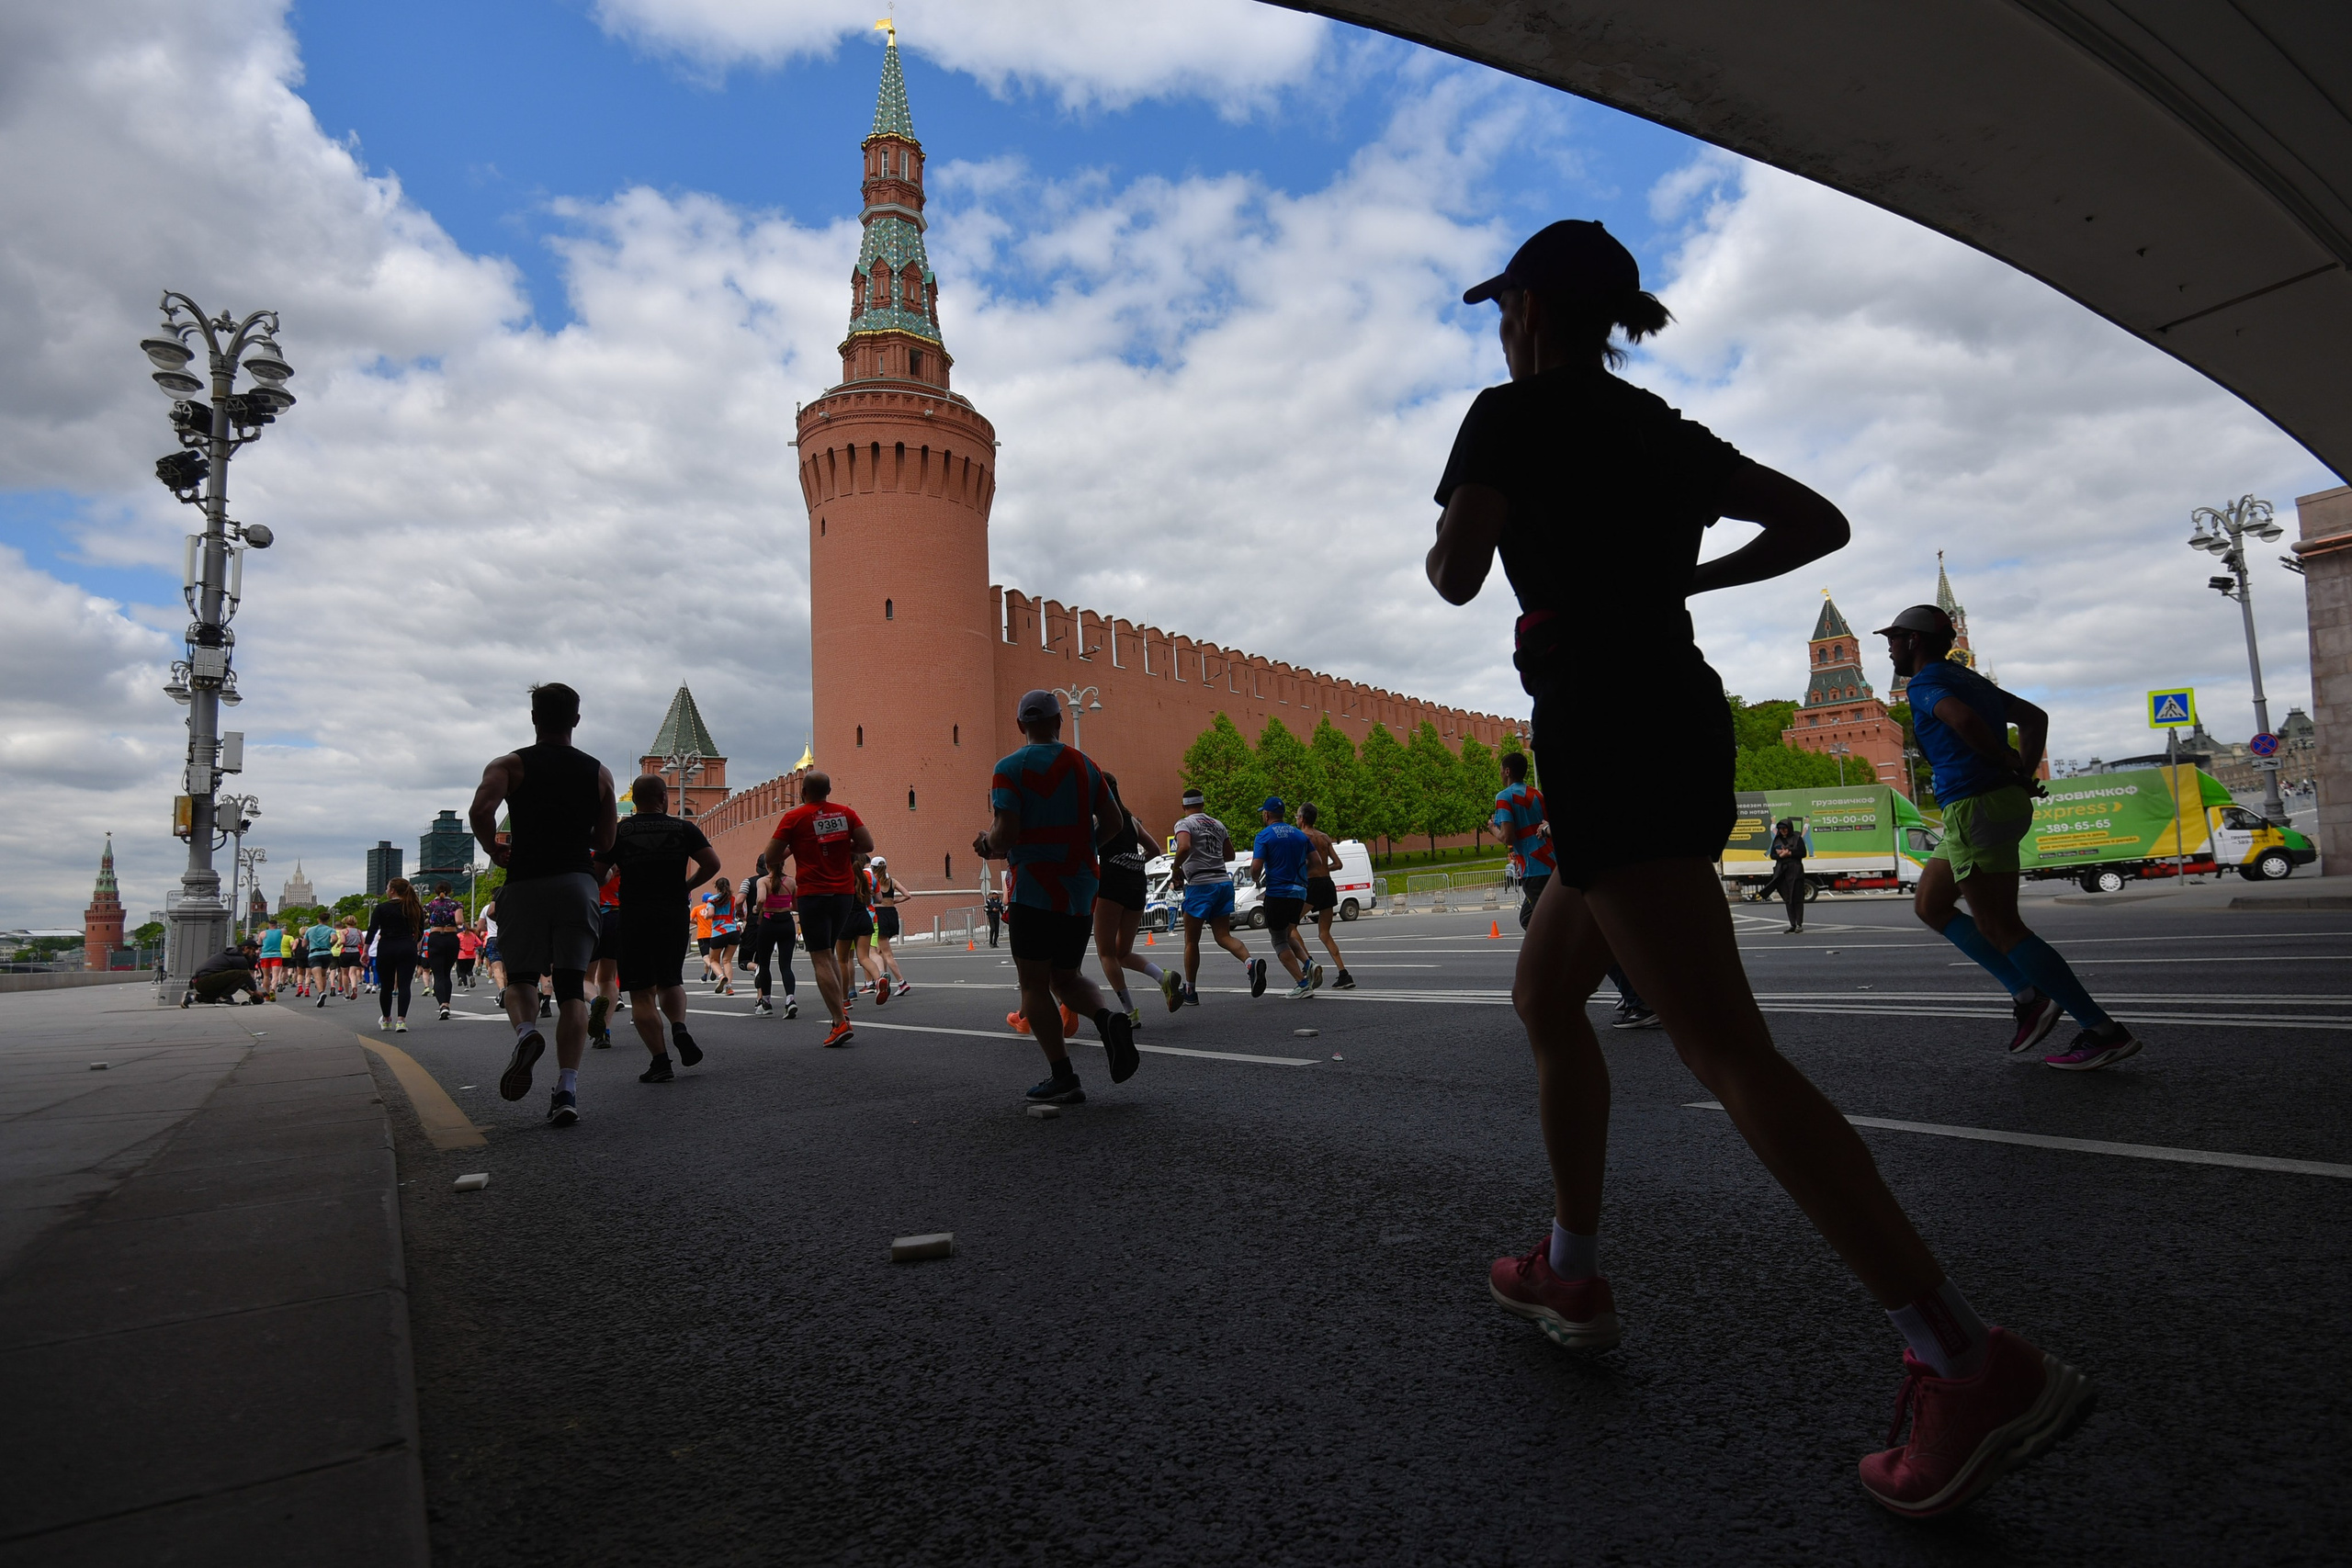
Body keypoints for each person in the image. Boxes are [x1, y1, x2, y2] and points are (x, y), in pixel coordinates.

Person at [1428, 219, 2089, 1517]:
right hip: (1670, 701)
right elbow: (1816, 520)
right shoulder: (1664, 429)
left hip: (1602, 721)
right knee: (1547, 998)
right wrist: (1689, 574)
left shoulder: (1506, 411)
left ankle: (1967, 1356)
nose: (1499, 329)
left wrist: (1500, 538)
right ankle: (1569, 1265)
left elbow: (1456, 577)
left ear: (1533, 310)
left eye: (1504, 308)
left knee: (1728, 1049)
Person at [1882, 603, 2142, 1071]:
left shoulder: (1923, 683)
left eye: (1893, 639)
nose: (1890, 649)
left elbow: (1959, 719)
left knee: (2000, 927)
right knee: (1931, 906)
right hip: (1991, 803)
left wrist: (2004, 761)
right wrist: (2020, 769)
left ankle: (2102, 1030)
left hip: (1973, 806)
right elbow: (2034, 717)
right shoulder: (1972, 679)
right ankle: (2028, 993)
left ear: (1914, 641)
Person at [972, 689, 1137, 1104]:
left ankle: (1063, 1076)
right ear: (1060, 720)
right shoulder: (1086, 766)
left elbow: (1006, 833)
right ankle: (1107, 1019)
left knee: (1033, 984)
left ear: (1020, 725)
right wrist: (1084, 851)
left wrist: (986, 845)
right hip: (1080, 887)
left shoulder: (1008, 768)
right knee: (1066, 975)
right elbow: (1115, 821)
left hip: (1035, 888)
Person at [469, 682, 617, 1128]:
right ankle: (567, 1088)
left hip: (526, 881)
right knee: (572, 987)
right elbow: (606, 841)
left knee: (521, 976)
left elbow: (481, 810)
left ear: (533, 717)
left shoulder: (509, 765)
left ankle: (527, 1032)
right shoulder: (599, 773)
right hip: (576, 882)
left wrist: (493, 847)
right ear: (575, 719)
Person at [594, 775, 719, 1083]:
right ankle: (679, 1027)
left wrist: (615, 868)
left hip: (634, 915)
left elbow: (597, 876)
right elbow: (712, 864)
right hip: (673, 913)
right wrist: (686, 886)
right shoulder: (683, 828)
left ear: (635, 800)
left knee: (640, 992)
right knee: (670, 980)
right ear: (663, 797)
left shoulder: (620, 832)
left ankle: (660, 1061)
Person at [763, 771, 874, 1047]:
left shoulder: (794, 818)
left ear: (802, 792)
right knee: (831, 952)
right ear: (829, 790)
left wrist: (795, 848)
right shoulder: (846, 814)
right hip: (843, 894)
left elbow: (771, 857)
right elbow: (867, 845)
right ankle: (841, 1010)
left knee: (821, 956)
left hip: (813, 893)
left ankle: (839, 1021)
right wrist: (842, 846)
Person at [1092, 772, 1182, 1025]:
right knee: (1123, 951)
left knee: (1106, 953)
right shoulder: (1130, 819)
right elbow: (1154, 849)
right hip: (1136, 886)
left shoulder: (1100, 821)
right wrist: (1133, 863)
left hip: (1111, 885)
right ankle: (1162, 977)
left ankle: (1130, 1013)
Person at [1169, 787, 1260, 1004]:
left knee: (1191, 941)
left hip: (1200, 884)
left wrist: (1175, 869)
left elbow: (1183, 846)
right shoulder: (1218, 824)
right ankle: (1250, 964)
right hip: (1223, 882)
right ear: (1203, 805)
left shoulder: (1184, 823)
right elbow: (1230, 854)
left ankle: (1190, 991)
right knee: (1223, 936)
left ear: (1183, 807)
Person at [1249, 797, 1318, 1000]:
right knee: (1288, 934)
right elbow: (1317, 862)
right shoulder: (1299, 835)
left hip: (1278, 893)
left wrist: (1256, 879)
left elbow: (1256, 867)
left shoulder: (1264, 836)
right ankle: (1309, 964)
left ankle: (1302, 983)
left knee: (1278, 940)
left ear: (1267, 814)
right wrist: (1301, 873)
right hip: (1299, 892)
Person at [1295, 803, 1355, 990]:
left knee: (1289, 926)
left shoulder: (1302, 837)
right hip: (1327, 884)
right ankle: (1343, 974)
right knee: (1325, 933)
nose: (1296, 819)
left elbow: (1302, 862)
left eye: (1297, 816)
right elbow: (1338, 864)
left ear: (1303, 819)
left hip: (1312, 885)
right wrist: (1323, 869)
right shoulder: (1324, 837)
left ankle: (1309, 963)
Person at [1493, 750, 1555, 931]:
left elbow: (1508, 837)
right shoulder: (1538, 794)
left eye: (1500, 770)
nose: (1500, 775)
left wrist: (1493, 829)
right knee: (1528, 917)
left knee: (1547, 922)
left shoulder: (1504, 797)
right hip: (1551, 863)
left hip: (1532, 868)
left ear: (1507, 771)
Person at [742, 853, 800, 1020]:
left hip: (768, 923)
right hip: (786, 924)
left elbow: (760, 899)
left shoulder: (763, 881)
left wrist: (756, 908)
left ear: (768, 866)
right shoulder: (791, 881)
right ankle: (790, 1000)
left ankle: (766, 1002)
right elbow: (795, 905)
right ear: (783, 865)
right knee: (786, 966)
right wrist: (783, 904)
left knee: (765, 963)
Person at [367, 877, 424, 1033]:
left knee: (386, 985)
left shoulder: (382, 908)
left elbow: (372, 930)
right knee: (404, 985)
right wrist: (413, 942)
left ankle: (386, 1020)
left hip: (387, 947)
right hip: (407, 947)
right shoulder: (414, 907)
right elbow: (420, 931)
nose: (386, 890)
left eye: (387, 888)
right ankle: (401, 1020)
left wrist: (365, 951)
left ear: (392, 890)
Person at [587, 864, 624, 1047]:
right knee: (608, 978)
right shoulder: (624, 852)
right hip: (616, 915)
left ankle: (594, 1000)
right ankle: (604, 1031)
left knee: (584, 978)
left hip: (591, 913)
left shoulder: (590, 853)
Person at [868, 856, 910, 995]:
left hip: (879, 914)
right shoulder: (892, 881)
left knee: (886, 953)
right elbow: (907, 895)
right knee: (880, 951)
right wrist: (893, 901)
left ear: (873, 868)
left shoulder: (874, 881)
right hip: (892, 914)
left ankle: (901, 982)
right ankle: (884, 982)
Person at [424, 883, 463, 1021]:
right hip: (451, 938)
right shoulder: (456, 904)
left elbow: (423, 922)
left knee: (438, 974)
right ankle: (448, 1003)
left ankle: (443, 1005)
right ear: (449, 891)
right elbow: (459, 921)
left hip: (435, 938)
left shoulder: (430, 905)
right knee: (447, 973)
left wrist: (433, 920)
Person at [182, 942, 265, 1006]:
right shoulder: (239, 959)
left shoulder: (231, 955)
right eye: (253, 950)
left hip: (201, 982)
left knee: (227, 1000)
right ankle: (223, 997)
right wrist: (255, 991)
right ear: (246, 948)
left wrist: (251, 993)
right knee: (243, 973)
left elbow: (239, 980)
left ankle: (192, 997)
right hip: (205, 980)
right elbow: (245, 975)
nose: (254, 953)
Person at [1770, 818, 1808, 934]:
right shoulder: (1777, 840)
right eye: (1781, 829)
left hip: (1795, 870)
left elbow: (1803, 853)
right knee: (1787, 899)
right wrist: (1781, 856)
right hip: (1782, 871)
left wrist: (1790, 853)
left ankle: (1799, 924)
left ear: (1789, 828)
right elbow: (1772, 855)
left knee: (1797, 898)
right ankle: (1792, 924)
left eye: (1785, 828)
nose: (1783, 831)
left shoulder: (1797, 838)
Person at [707, 878, 741, 996]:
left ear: (717, 887)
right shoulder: (734, 899)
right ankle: (729, 987)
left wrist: (706, 916)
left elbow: (711, 914)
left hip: (718, 932)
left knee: (714, 960)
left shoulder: (712, 899)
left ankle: (721, 977)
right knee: (727, 960)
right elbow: (743, 914)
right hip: (733, 931)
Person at [304, 914, 336, 1006]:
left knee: (317, 975)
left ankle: (321, 993)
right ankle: (322, 992)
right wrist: (330, 945)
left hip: (314, 954)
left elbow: (304, 944)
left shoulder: (310, 930)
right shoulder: (330, 929)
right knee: (323, 974)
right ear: (328, 920)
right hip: (326, 953)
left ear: (318, 919)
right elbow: (334, 938)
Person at [257, 919, 285, 997]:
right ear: (276, 925)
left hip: (265, 955)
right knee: (275, 975)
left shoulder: (263, 933)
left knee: (266, 976)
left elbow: (259, 945)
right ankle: (273, 989)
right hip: (277, 954)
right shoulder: (280, 932)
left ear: (269, 925)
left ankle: (267, 993)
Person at [455, 924, 480, 993]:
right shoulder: (472, 935)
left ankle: (466, 986)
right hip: (472, 954)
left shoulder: (459, 935)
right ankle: (471, 976)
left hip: (462, 954)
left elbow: (455, 944)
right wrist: (473, 946)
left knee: (462, 971)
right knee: (469, 969)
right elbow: (479, 943)